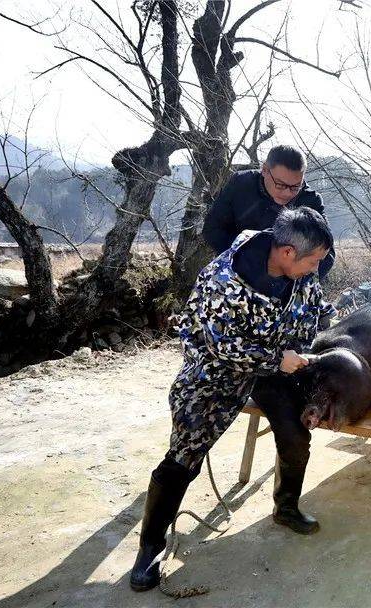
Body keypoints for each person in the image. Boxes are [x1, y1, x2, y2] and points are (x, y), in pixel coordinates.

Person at [129, 207, 333, 592]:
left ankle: (286, 507)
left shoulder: (302, 274)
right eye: (313, 261)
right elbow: (222, 345)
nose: (315, 269)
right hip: (217, 371)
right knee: (184, 453)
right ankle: (151, 545)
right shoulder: (225, 278)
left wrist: (307, 346)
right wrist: (278, 359)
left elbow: (310, 314)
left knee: (295, 433)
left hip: (277, 368)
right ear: (288, 252)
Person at [202, 144, 335, 277]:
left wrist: (292, 282)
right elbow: (213, 230)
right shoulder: (241, 184)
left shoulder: (311, 201)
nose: (287, 193)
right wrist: (248, 261)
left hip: (288, 279)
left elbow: (326, 254)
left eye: (295, 187)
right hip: (237, 270)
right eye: (280, 184)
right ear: (265, 170)